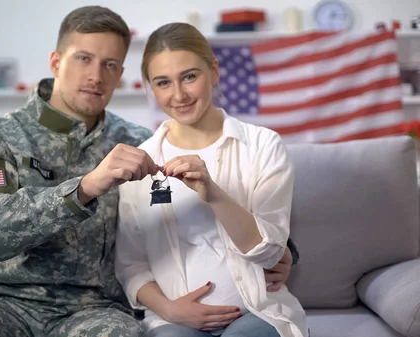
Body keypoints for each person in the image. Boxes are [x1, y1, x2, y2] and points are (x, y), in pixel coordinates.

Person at [0, 6, 298, 337]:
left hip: (96, 309)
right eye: (83, 59)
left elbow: (214, 208)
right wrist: (86, 187)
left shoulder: (142, 143)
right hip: (5, 301)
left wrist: (286, 253)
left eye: (110, 64)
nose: (96, 75)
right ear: (56, 61)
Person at [114, 22, 308, 337]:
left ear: (213, 72)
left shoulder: (263, 145)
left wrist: (214, 193)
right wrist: (170, 310)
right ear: (150, 86)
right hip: (174, 323)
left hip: (257, 312)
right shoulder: (141, 161)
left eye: (190, 76)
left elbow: (271, 251)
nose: (178, 95)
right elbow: (130, 264)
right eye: (163, 82)